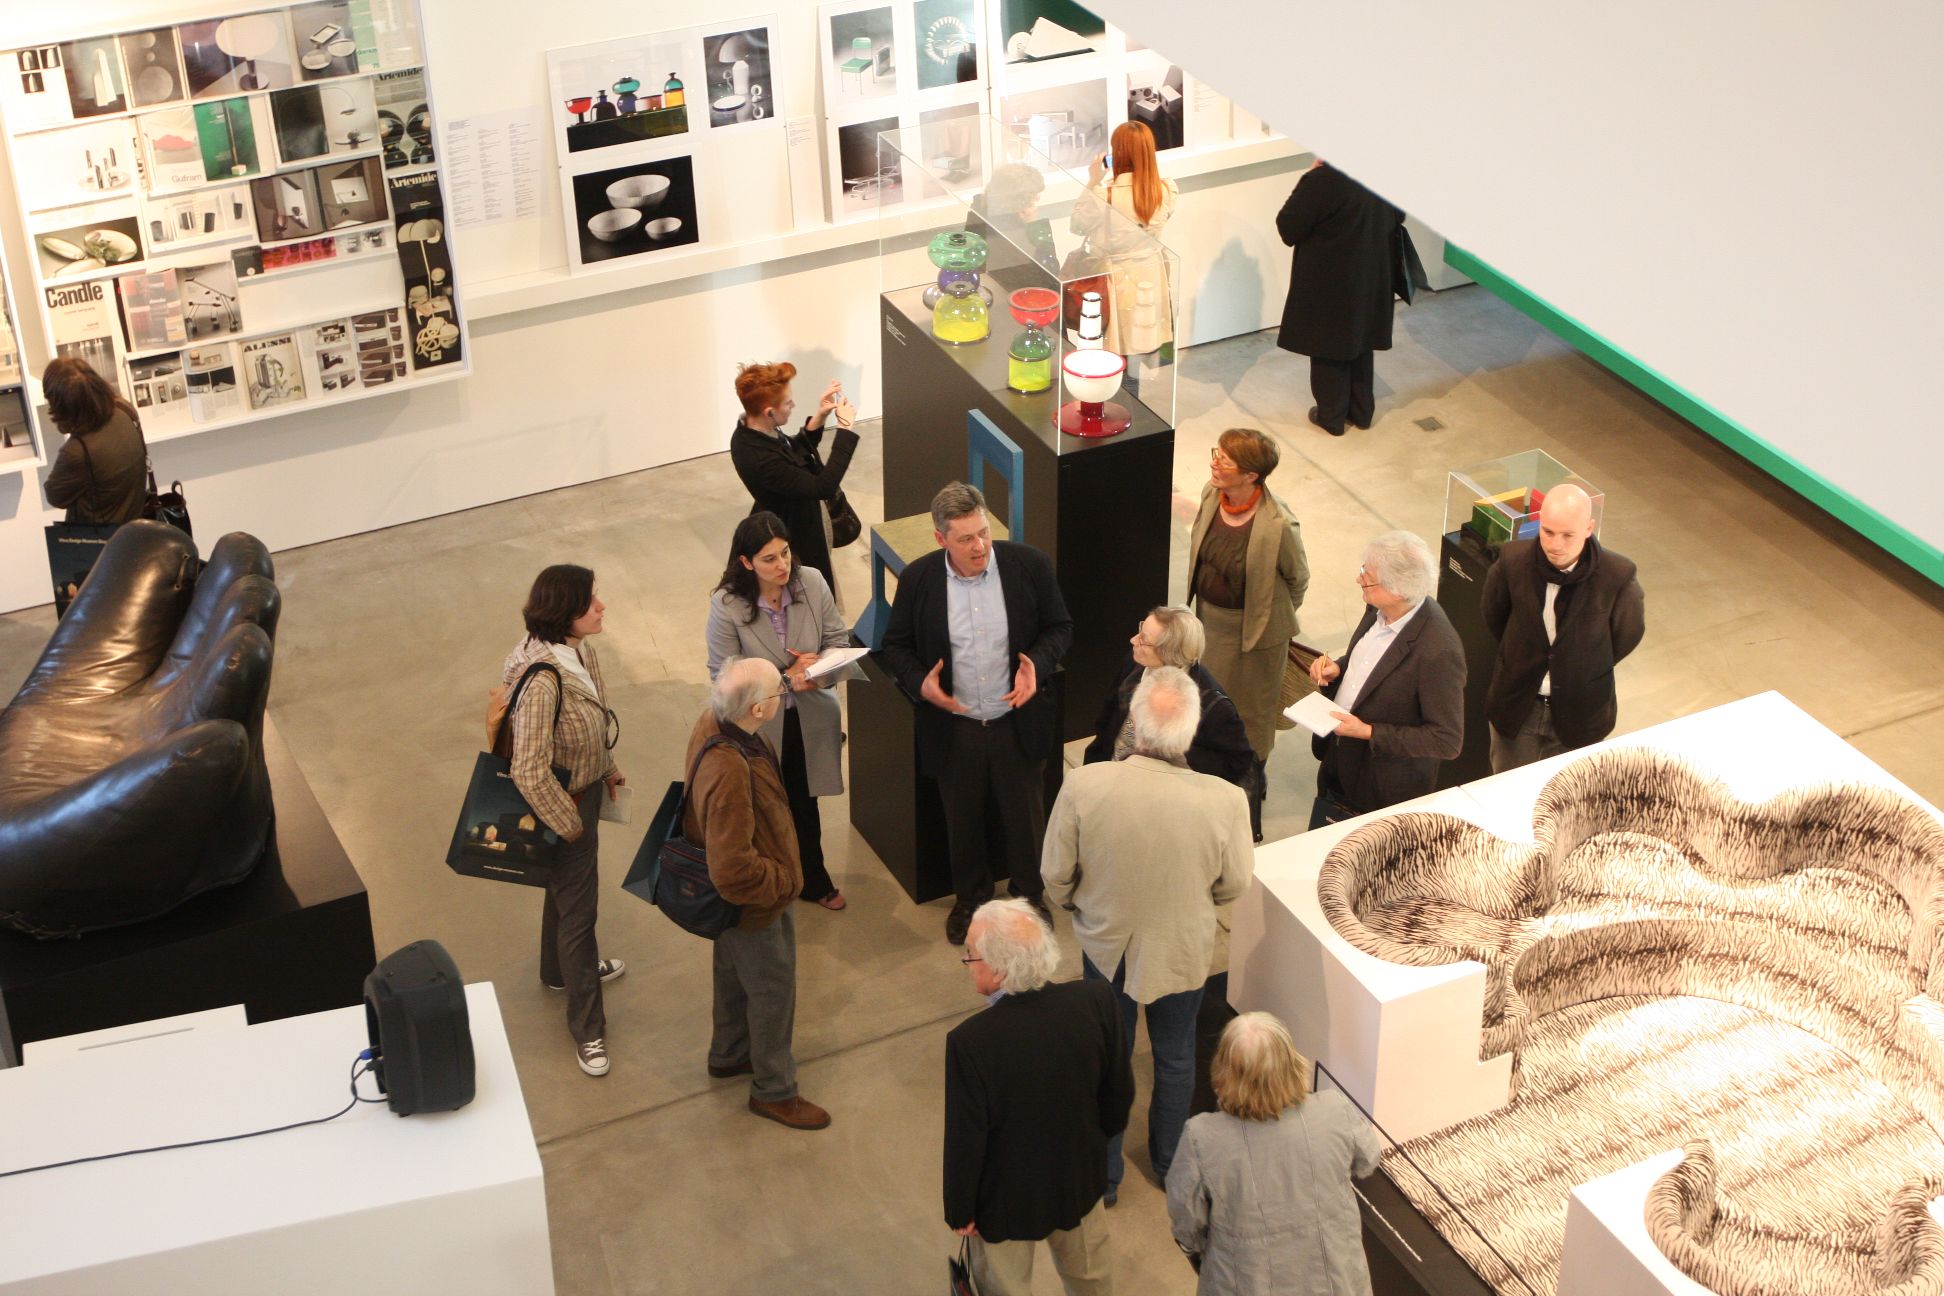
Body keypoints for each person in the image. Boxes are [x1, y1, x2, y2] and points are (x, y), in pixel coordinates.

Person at [1043, 667, 1254, 1202]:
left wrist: (1077, 907)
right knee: (1177, 1055)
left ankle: (1106, 1176)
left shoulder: (1083, 784)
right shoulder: (1226, 800)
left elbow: (1054, 874)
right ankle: (1167, 1163)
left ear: (1134, 723)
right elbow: (1234, 884)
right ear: (1190, 730)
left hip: (1103, 944)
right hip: (1182, 948)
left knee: (1107, 1059)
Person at [880, 482, 1074, 946]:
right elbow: (897, 647)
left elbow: (1059, 627)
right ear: (940, 539)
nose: (980, 546)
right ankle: (971, 900)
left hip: (1015, 722)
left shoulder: (1029, 566)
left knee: (1026, 821)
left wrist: (1037, 666)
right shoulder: (919, 580)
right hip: (956, 726)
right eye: (965, 538)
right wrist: (921, 684)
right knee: (962, 822)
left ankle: (1029, 899)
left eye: (984, 533)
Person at [945, 898, 1133, 1296]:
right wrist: (1092, 1149)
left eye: (970, 955)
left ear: (997, 968)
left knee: (1005, 1287)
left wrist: (960, 1210)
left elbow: (967, 1139)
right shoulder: (1096, 1001)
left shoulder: (971, 1042)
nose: (967, 963)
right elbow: (1118, 1096)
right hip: (1078, 1181)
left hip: (1005, 1202)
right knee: (1092, 1282)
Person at [685, 656, 830, 1131]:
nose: (782, 698)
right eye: (778, 693)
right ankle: (774, 1090)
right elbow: (732, 870)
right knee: (772, 992)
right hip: (754, 906)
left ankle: (729, 1054)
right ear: (758, 708)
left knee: (731, 974)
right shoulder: (730, 768)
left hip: (731, 911)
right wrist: (784, 883)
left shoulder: (718, 722)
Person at [503, 565, 626, 1078]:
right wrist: (569, 822)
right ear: (563, 615)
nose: (601, 607)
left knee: (564, 894)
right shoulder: (542, 680)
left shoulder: (580, 652)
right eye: (589, 603)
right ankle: (588, 1030)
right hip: (565, 805)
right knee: (580, 915)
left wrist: (609, 768)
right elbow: (528, 770)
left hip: (585, 791)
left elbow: (592, 721)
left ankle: (558, 974)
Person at [1166, 1012, 1381, 1295]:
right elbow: (1368, 1160)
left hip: (1242, 1281)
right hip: (1336, 1279)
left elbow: (1187, 1223)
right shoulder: (1335, 1109)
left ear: (1224, 1070)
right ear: (1291, 1061)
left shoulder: (1201, 1136)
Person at [705, 512, 857, 910]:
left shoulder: (812, 582)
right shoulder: (727, 605)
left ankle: (812, 879)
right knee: (766, 805)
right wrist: (786, 678)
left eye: (785, 553)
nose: (782, 565)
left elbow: (839, 642)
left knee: (805, 802)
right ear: (746, 562)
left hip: (809, 718)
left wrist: (819, 670)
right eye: (769, 559)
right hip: (759, 724)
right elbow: (722, 675)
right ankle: (769, 882)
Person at [1188, 428, 1311, 813]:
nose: (1214, 462)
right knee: (1207, 703)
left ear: (1251, 475)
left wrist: (1267, 619)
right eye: (1216, 452)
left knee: (1250, 716)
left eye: (1225, 459)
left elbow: (1298, 579)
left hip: (1254, 637)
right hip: (1210, 623)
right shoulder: (1212, 495)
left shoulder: (1277, 525)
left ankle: (1248, 787)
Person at [1306, 531, 1465, 828]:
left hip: (1379, 789)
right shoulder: (1380, 607)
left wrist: (1368, 731)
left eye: (1368, 576)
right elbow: (1373, 663)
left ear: (1399, 589)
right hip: (1337, 761)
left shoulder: (1438, 651)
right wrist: (1339, 669)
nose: (1359, 580)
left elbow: (1446, 740)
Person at [1482, 483, 1646, 770]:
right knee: (1505, 791)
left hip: (1581, 711)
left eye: (1568, 535)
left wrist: (1581, 662)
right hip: (1518, 705)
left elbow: (1627, 635)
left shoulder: (1616, 576)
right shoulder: (1513, 561)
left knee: (1568, 795)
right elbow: (1494, 615)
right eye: (1547, 532)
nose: (1555, 545)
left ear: (1588, 528)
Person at [1274, 160, 1406, 438]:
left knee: (1327, 344)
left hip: (1331, 278)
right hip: (1372, 274)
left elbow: (1288, 226)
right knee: (1362, 339)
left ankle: (1331, 417)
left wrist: (1309, 176)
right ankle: (1361, 412)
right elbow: (1399, 214)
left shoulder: (1325, 179)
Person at [1082, 603, 1255, 806]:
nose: (1133, 640)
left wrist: (1173, 745)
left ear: (1169, 653)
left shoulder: (1213, 706)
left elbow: (1237, 762)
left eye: (1144, 640)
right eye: (1140, 630)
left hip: (1161, 799)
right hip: (1113, 778)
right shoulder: (1135, 663)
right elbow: (1107, 718)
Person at [727, 361, 859, 598]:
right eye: (788, 403)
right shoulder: (759, 458)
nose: (793, 405)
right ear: (769, 412)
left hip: (803, 521)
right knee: (808, 600)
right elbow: (823, 486)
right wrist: (845, 429)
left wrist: (819, 417)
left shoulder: (756, 430)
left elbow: (791, 454)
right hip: (797, 536)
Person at [1070, 121, 1178, 357]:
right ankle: (1132, 391)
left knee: (1112, 349)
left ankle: (1116, 393)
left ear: (1117, 153)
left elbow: (1077, 225)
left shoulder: (1105, 195)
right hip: (1152, 276)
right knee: (1142, 342)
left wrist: (1093, 180)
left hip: (1113, 282)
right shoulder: (1167, 190)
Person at [40, 358, 149, 524]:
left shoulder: (78, 451)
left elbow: (55, 496)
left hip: (100, 542)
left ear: (62, 405)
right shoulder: (125, 409)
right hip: (134, 531)